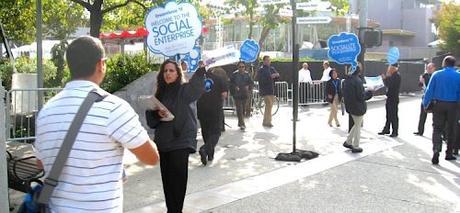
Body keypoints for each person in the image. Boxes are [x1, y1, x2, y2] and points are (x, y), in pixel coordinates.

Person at [33, 36, 159, 212]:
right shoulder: (113, 108)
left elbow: (40, 163)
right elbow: (151, 158)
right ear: (101, 64)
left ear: (70, 66)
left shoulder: (47, 110)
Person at [146, 59, 206, 212]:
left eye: (171, 70)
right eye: (165, 71)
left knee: (178, 181)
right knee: (167, 181)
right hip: (163, 143)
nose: (168, 73)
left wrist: (200, 72)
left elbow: (196, 89)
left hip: (180, 142)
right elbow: (151, 121)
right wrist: (157, 114)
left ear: (178, 73)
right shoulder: (159, 93)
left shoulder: (184, 90)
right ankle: (171, 210)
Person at [423, 56, 460, 164]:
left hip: (438, 104)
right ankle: (449, 153)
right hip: (453, 105)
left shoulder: (437, 74)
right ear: (454, 64)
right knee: (451, 129)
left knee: (437, 128)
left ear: (444, 63)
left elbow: (429, 90)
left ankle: (436, 150)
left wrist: (426, 103)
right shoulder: (458, 76)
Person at [197, 68, 228, 165]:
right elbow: (224, 94)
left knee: (205, 131)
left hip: (201, 108)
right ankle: (205, 149)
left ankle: (209, 154)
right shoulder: (219, 79)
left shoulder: (198, 79)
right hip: (215, 108)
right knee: (216, 132)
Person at [342, 65, 372, 153]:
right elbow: (361, 96)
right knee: (358, 126)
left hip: (350, 106)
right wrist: (369, 93)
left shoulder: (346, 81)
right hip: (358, 107)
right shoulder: (358, 81)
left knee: (356, 124)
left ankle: (348, 141)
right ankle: (356, 145)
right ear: (359, 71)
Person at [378, 63, 401, 137]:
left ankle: (395, 131)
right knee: (388, 115)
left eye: (390, 68)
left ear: (393, 68)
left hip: (393, 98)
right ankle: (386, 129)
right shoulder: (392, 75)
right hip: (389, 98)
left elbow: (390, 85)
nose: (388, 69)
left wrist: (385, 78)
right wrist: (386, 78)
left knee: (393, 115)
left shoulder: (396, 76)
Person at [230, 61, 254, 130]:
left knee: (243, 110)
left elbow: (251, 83)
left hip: (245, 94)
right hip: (237, 94)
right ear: (238, 67)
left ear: (244, 67)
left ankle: (240, 122)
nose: (241, 68)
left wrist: (248, 87)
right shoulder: (234, 74)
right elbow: (230, 83)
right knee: (239, 109)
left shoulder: (247, 74)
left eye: (243, 67)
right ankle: (242, 124)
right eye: (240, 67)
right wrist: (235, 87)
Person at [257, 55, 279, 127]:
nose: (268, 61)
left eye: (269, 60)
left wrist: (276, 75)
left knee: (269, 106)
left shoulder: (271, 68)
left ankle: (265, 120)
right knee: (269, 104)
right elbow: (261, 80)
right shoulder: (261, 69)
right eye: (267, 60)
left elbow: (277, 76)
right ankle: (268, 121)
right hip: (265, 90)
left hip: (271, 89)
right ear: (264, 61)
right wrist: (270, 77)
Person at [414, 63, 436, 136]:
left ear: (434, 68)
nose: (428, 69)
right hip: (426, 97)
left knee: (436, 117)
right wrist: (421, 81)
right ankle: (420, 131)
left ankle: (439, 133)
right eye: (427, 68)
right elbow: (420, 85)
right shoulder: (425, 75)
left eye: (430, 68)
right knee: (422, 115)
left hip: (434, 98)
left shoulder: (436, 75)